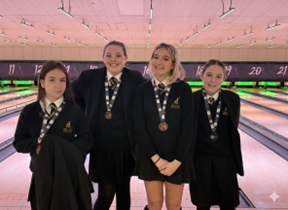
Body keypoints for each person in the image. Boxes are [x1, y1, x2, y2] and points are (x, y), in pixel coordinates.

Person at [72, 40, 145, 210]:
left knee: (123, 193)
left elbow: (147, 101)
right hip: (100, 147)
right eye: (109, 55)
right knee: (106, 194)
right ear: (103, 58)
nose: (114, 59)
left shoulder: (135, 78)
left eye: (118, 55)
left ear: (125, 58)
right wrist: (84, 113)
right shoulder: (88, 77)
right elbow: (71, 95)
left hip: (125, 146)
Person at [13, 60, 93, 210]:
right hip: (41, 177)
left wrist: (64, 150)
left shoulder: (74, 110)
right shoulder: (29, 112)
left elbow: (87, 139)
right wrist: (42, 142)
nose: (58, 85)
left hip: (69, 175)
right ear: (42, 83)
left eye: (62, 80)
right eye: (52, 80)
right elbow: (19, 143)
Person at [133, 43, 195, 210]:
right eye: (156, 57)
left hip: (177, 157)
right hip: (151, 156)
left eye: (165, 58)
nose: (159, 62)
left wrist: (177, 161)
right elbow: (139, 128)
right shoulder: (142, 90)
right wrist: (156, 159)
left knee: (174, 205)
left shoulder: (183, 89)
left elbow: (188, 128)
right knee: (154, 204)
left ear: (173, 64)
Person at [189, 59, 244, 210]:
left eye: (218, 76)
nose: (213, 80)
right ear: (202, 76)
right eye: (209, 75)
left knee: (228, 204)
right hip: (201, 161)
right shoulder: (192, 99)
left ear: (224, 79)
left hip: (226, 161)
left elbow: (234, 126)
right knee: (202, 204)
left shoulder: (232, 98)